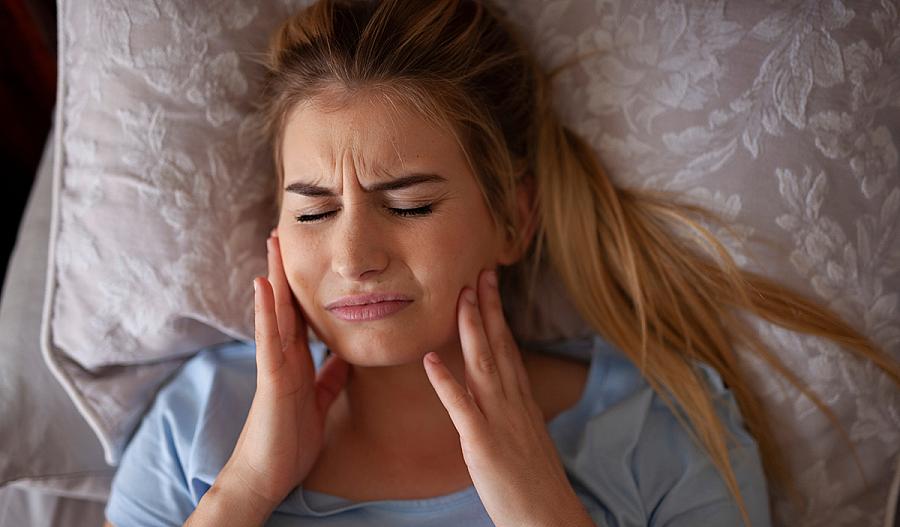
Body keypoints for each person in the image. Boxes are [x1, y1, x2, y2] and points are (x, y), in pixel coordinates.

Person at [103, 0, 900, 526]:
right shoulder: (193, 428)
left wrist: (542, 505)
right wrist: (245, 488)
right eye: (313, 210)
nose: (353, 254)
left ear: (513, 218)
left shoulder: (661, 434)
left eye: (409, 204)